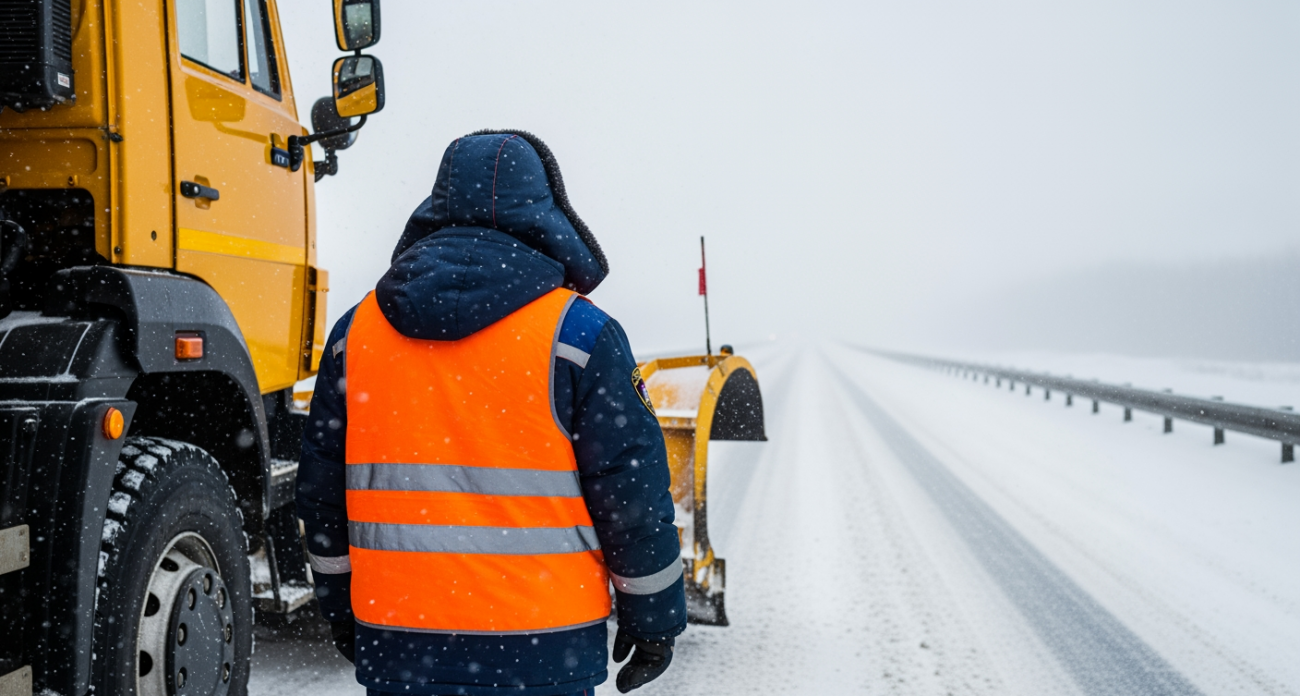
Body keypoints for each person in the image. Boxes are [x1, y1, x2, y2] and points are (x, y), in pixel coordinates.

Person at [296, 131, 687, 696]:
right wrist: (652, 617)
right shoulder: (579, 336)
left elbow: (323, 496)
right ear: (545, 213)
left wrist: (339, 606)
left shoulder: (356, 335)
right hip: (544, 650)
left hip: (400, 645)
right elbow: (631, 493)